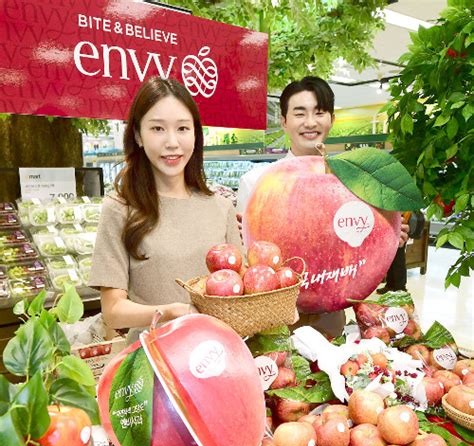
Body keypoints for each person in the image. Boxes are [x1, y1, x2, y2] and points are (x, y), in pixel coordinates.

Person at [237, 76, 410, 337]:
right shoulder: (258, 183)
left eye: (319, 113)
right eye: (299, 113)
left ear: (331, 119)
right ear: (283, 121)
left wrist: (389, 235)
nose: (310, 122)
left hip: (331, 314)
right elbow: (245, 258)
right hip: (274, 320)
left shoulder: (355, 182)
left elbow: (356, 242)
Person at [89, 78, 242, 343]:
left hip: (217, 357)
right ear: (138, 135)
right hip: (151, 362)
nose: (172, 142)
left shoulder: (221, 207)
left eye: (183, 128)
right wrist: (169, 313)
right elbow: (113, 311)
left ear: (195, 134)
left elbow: (240, 293)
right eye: (158, 128)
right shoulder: (120, 208)